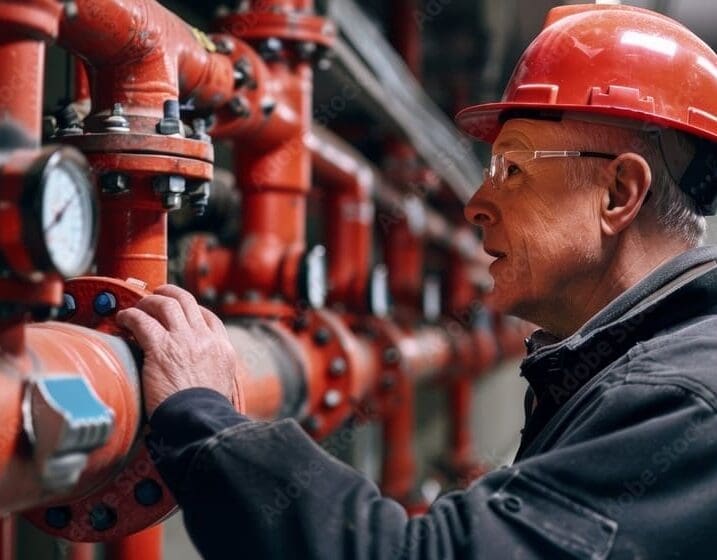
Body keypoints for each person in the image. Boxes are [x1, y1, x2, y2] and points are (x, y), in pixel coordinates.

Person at [117, 4, 717, 559]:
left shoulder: (679, 404)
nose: (478, 203)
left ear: (618, 193)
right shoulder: (649, 369)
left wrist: (201, 416)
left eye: (513, 167)